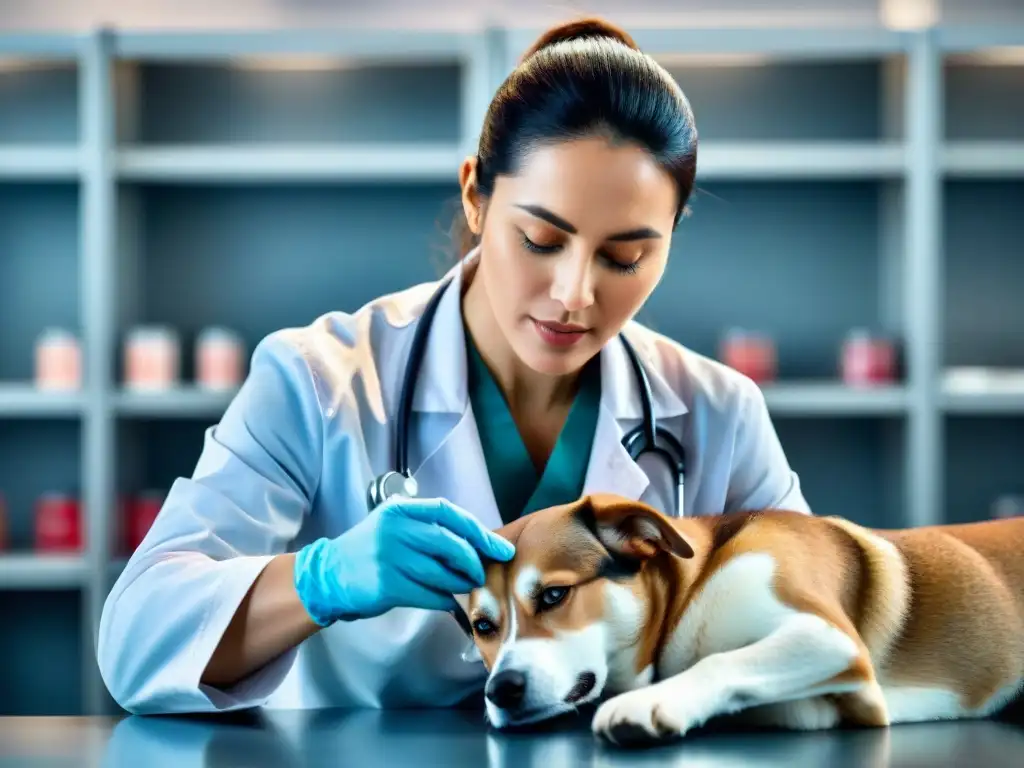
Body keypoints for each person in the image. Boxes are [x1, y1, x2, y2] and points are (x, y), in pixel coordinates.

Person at [97, 17, 809, 716]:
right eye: (539, 238)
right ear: (475, 195)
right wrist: (323, 581)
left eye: (625, 257)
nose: (574, 295)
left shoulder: (718, 413)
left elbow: (823, 636)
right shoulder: (316, 380)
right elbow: (136, 640)